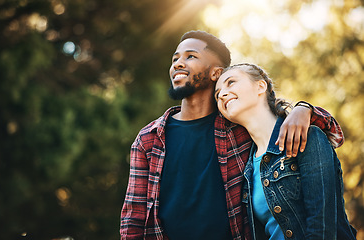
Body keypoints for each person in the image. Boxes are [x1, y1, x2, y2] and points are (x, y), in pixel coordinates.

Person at [120, 30, 345, 240]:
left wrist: (304, 108)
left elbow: (314, 131)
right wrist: (304, 109)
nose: (178, 63)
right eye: (175, 58)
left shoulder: (237, 128)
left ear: (215, 72)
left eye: (190, 56)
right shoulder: (149, 139)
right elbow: (134, 219)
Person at [215, 63, 357, 240]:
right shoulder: (245, 168)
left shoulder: (308, 137)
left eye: (231, 82)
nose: (221, 94)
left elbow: (322, 230)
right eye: (217, 93)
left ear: (260, 86)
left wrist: (304, 107)